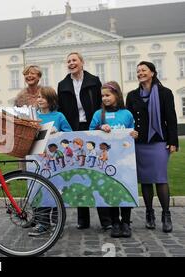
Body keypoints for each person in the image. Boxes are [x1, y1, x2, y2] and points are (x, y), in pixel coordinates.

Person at [57, 52, 111, 230]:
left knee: (97, 170)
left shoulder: (94, 81)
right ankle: (83, 219)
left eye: (74, 60)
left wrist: (100, 125)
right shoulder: (62, 85)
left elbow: (100, 104)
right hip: (73, 130)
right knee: (78, 170)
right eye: (68, 61)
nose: (71, 63)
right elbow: (62, 110)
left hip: (92, 128)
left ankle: (106, 220)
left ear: (82, 63)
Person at [126, 61, 178, 233]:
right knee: (146, 180)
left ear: (153, 73)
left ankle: (166, 214)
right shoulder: (132, 95)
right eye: (138, 71)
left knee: (160, 178)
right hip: (140, 143)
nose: (140, 73)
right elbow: (129, 119)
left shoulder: (165, 93)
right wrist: (130, 132)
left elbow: (171, 118)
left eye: (144, 70)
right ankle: (149, 213)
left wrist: (173, 141)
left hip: (159, 141)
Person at [89, 81, 138, 238]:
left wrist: (134, 135)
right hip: (108, 161)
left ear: (116, 95)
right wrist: (100, 128)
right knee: (111, 190)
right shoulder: (98, 114)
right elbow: (90, 132)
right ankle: (115, 222)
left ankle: (126, 222)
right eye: (102, 96)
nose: (105, 98)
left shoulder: (127, 114)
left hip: (125, 159)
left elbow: (133, 131)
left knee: (125, 189)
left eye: (108, 95)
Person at [25, 86, 71, 236]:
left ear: (51, 100)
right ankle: (43, 223)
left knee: (56, 189)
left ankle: (57, 223)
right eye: (38, 97)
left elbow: (69, 134)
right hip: (38, 160)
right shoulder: (34, 117)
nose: (40, 99)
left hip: (56, 162)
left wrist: (58, 131)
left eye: (43, 97)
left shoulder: (59, 116)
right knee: (40, 189)